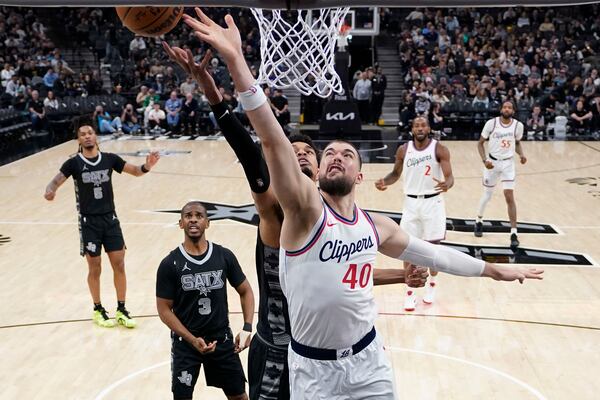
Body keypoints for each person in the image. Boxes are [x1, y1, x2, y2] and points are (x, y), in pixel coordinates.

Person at [182, 10, 543, 398]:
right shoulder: (304, 211)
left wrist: (492, 270)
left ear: (360, 175)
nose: (337, 155)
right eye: (331, 152)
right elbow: (269, 142)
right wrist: (236, 62)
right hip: (313, 368)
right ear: (317, 175)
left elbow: (434, 257)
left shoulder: (375, 227)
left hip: (368, 361)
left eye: (347, 154)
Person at [163, 43, 429, 400]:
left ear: (319, 171)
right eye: (293, 152)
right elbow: (251, 154)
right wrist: (213, 93)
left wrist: (401, 274)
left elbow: (347, 275)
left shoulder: (334, 223)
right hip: (277, 349)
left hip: (320, 357)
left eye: (308, 153)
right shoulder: (274, 210)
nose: (300, 155)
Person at [44, 124, 160, 328]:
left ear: (95, 136)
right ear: (78, 139)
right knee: (95, 267)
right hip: (89, 222)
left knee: (120, 264)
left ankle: (121, 309)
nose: (87, 137)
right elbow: (54, 182)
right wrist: (50, 190)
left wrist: (147, 166)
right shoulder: (73, 163)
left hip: (110, 220)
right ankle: (98, 309)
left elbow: (135, 171)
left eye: (90, 133)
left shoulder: (109, 159)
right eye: (83, 134)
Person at [156, 201, 254, 400]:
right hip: (186, 344)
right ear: (181, 223)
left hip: (221, 340)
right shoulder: (169, 263)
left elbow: (246, 291)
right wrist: (192, 339)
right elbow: (164, 310)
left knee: (240, 397)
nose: (193, 219)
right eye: (188, 215)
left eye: (199, 215)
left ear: (207, 223)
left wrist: (247, 327)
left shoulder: (223, 256)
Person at [375, 116, 454, 311]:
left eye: (423, 125)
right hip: (410, 203)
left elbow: (450, 176)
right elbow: (395, 174)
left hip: (433, 203)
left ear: (429, 128)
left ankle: (432, 286)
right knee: (407, 249)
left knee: (433, 250)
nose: (420, 128)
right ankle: (409, 293)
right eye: (416, 125)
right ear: (412, 129)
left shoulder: (439, 149)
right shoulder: (404, 150)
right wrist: (385, 181)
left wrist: (447, 184)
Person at [474, 101, 527, 249]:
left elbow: (516, 143)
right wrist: (485, 161)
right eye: (505, 107)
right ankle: (478, 220)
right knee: (487, 195)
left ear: (513, 111)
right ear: (501, 109)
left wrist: (522, 155)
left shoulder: (518, 126)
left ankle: (513, 233)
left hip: (508, 164)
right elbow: (480, 143)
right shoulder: (491, 123)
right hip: (492, 163)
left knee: (509, 196)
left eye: (509, 107)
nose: (507, 109)